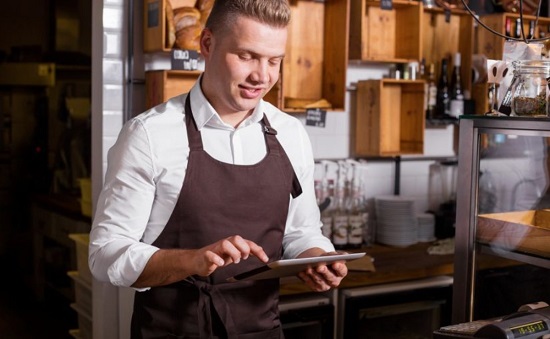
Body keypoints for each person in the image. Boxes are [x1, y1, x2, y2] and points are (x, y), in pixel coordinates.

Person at [88, 0, 348, 337]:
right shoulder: (149, 135)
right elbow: (106, 254)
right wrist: (193, 261)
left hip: (262, 330)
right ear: (207, 44)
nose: (262, 76)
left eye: (274, 61)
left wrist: (316, 257)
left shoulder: (291, 133)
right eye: (246, 56)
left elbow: (301, 231)